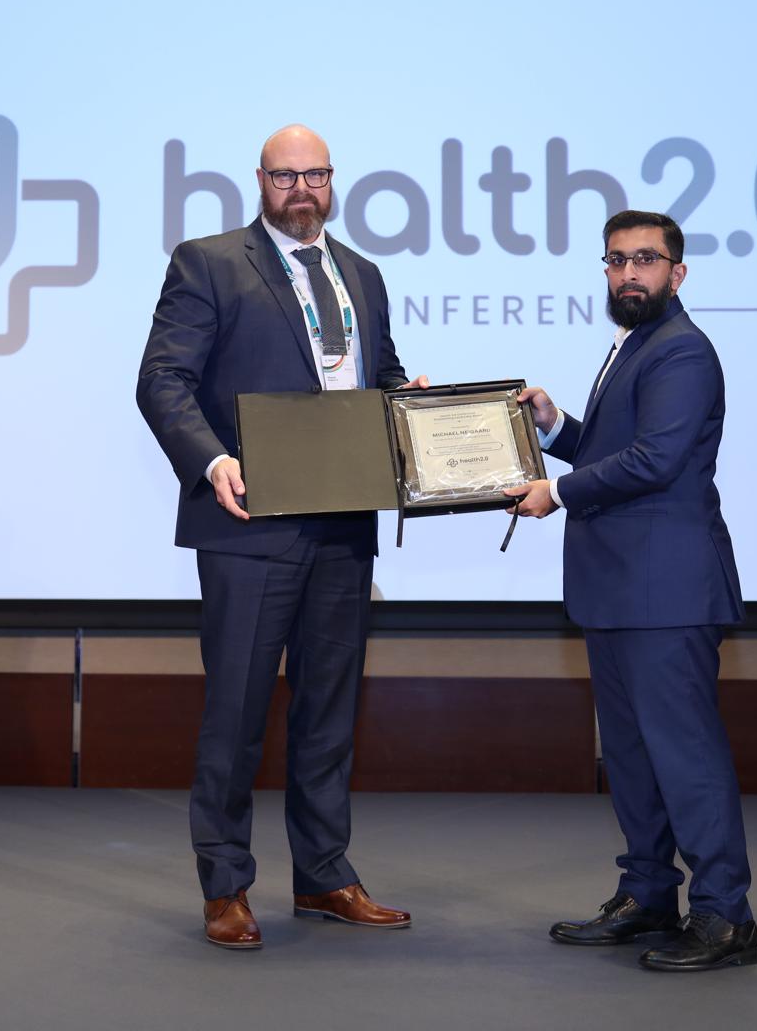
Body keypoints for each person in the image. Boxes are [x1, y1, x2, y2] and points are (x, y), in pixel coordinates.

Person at [137, 124, 426, 950]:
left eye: (316, 175)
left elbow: (380, 376)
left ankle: (324, 876)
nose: (302, 189)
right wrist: (212, 460)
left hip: (345, 520)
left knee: (329, 712)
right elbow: (162, 379)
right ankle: (225, 887)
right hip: (249, 523)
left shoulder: (362, 274)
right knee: (236, 712)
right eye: (285, 176)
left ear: (333, 181)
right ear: (260, 181)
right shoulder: (209, 262)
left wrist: (414, 405)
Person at [505, 209, 757, 972]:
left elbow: (655, 460)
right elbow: (615, 449)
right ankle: (649, 895)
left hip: (666, 592)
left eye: (645, 259)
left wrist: (556, 491)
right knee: (634, 756)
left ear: (677, 273)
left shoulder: (682, 350)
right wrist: (555, 426)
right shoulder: (634, 344)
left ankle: (725, 917)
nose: (628, 273)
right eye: (616, 260)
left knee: (685, 756)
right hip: (620, 591)